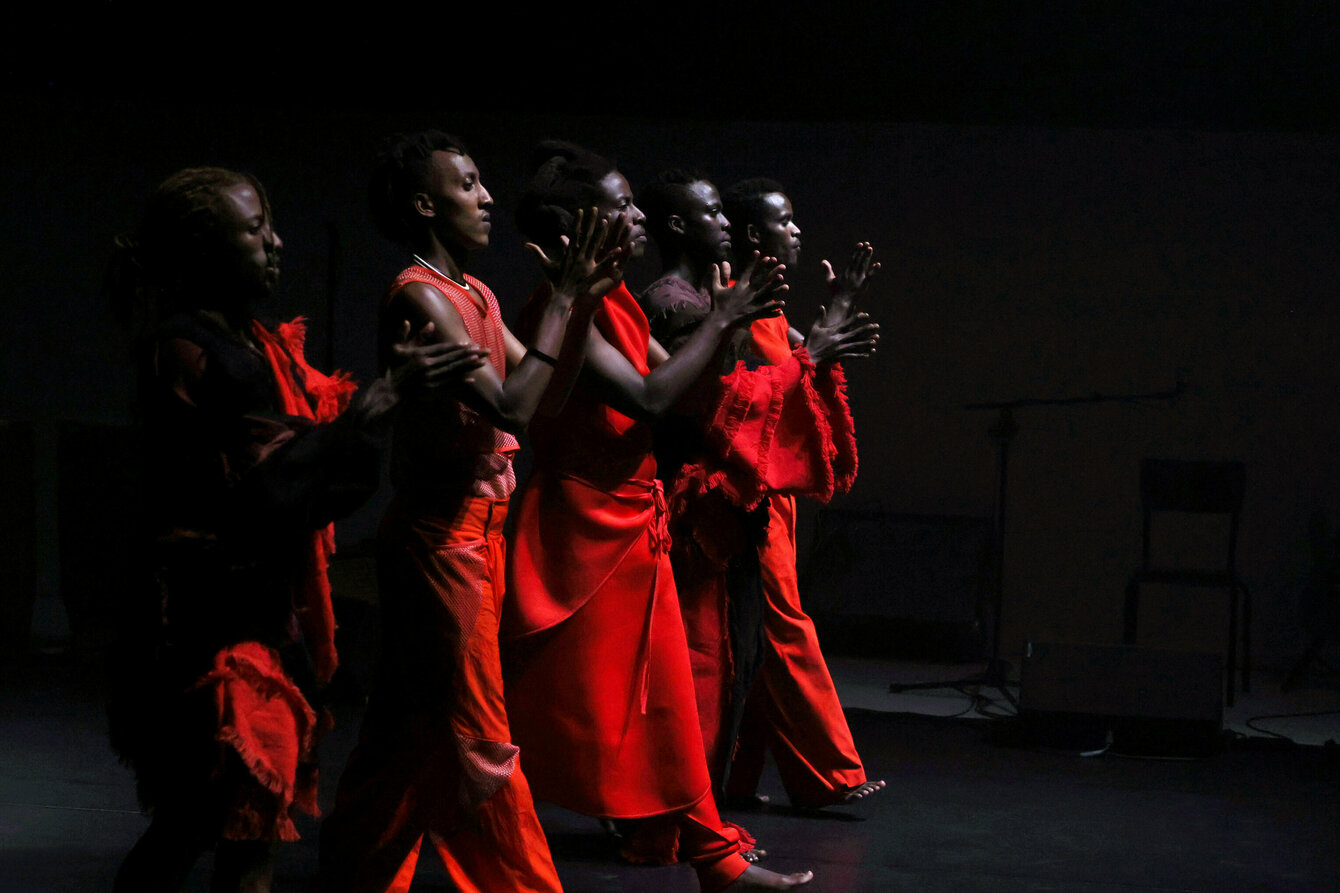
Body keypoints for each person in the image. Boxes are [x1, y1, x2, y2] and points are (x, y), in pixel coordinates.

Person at [107, 166, 485, 893]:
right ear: (202, 249)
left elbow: (308, 483)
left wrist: (369, 418)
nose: (276, 242)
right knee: (215, 820)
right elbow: (264, 491)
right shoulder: (190, 351)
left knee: (220, 823)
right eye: (254, 230)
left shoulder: (243, 346)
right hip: (206, 625)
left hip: (248, 611)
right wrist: (372, 409)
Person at [315, 130, 621, 893]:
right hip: (439, 541)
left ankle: (356, 868)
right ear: (426, 204)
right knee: (479, 734)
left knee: (406, 727)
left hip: (476, 536)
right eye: (469, 185)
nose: (487, 198)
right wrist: (561, 303)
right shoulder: (419, 295)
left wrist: (576, 305)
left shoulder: (477, 294)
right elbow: (516, 406)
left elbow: (546, 394)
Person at [502, 140, 811, 891]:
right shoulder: (558, 304)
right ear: (583, 223)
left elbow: (677, 381)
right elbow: (645, 396)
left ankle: (717, 858)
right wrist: (725, 316)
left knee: (668, 699)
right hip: (581, 527)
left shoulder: (610, 299)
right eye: (621, 206)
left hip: (630, 518)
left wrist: (737, 325)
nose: (638, 215)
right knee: (511, 712)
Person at [638, 172, 884, 811]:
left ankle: (725, 788)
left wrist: (829, 324)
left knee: (744, 646)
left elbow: (791, 366)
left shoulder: (733, 303)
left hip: (750, 490)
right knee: (735, 642)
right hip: (716, 495)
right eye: (711, 212)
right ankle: (707, 793)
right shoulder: (678, 301)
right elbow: (730, 396)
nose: (721, 224)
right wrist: (810, 347)